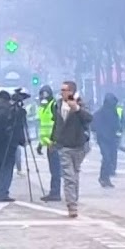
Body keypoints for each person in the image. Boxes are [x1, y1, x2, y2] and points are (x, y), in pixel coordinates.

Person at [50, 81, 93, 218]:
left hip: (79, 145)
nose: (62, 92)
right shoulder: (57, 105)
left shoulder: (80, 103)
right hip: (64, 146)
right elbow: (57, 123)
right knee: (69, 176)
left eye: (65, 90)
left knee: (75, 175)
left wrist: (77, 109)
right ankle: (71, 205)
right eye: (61, 90)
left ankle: (74, 200)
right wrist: (53, 140)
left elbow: (89, 118)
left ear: (72, 91)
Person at [34, 85, 63, 202]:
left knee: (56, 169)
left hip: (54, 144)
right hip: (48, 143)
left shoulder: (53, 106)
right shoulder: (42, 108)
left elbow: (58, 125)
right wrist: (41, 144)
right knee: (53, 169)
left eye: (45, 94)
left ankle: (55, 192)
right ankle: (53, 191)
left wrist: (54, 142)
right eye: (41, 94)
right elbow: (43, 128)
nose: (43, 97)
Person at [92, 93, 122, 188]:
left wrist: (118, 131)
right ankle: (103, 177)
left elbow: (117, 124)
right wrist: (99, 132)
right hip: (103, 139)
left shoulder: (114, 112)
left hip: (112, 138)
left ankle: (106, 178)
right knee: (106, 157)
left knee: (111, 158)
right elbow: (93, 125)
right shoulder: (99, 113)